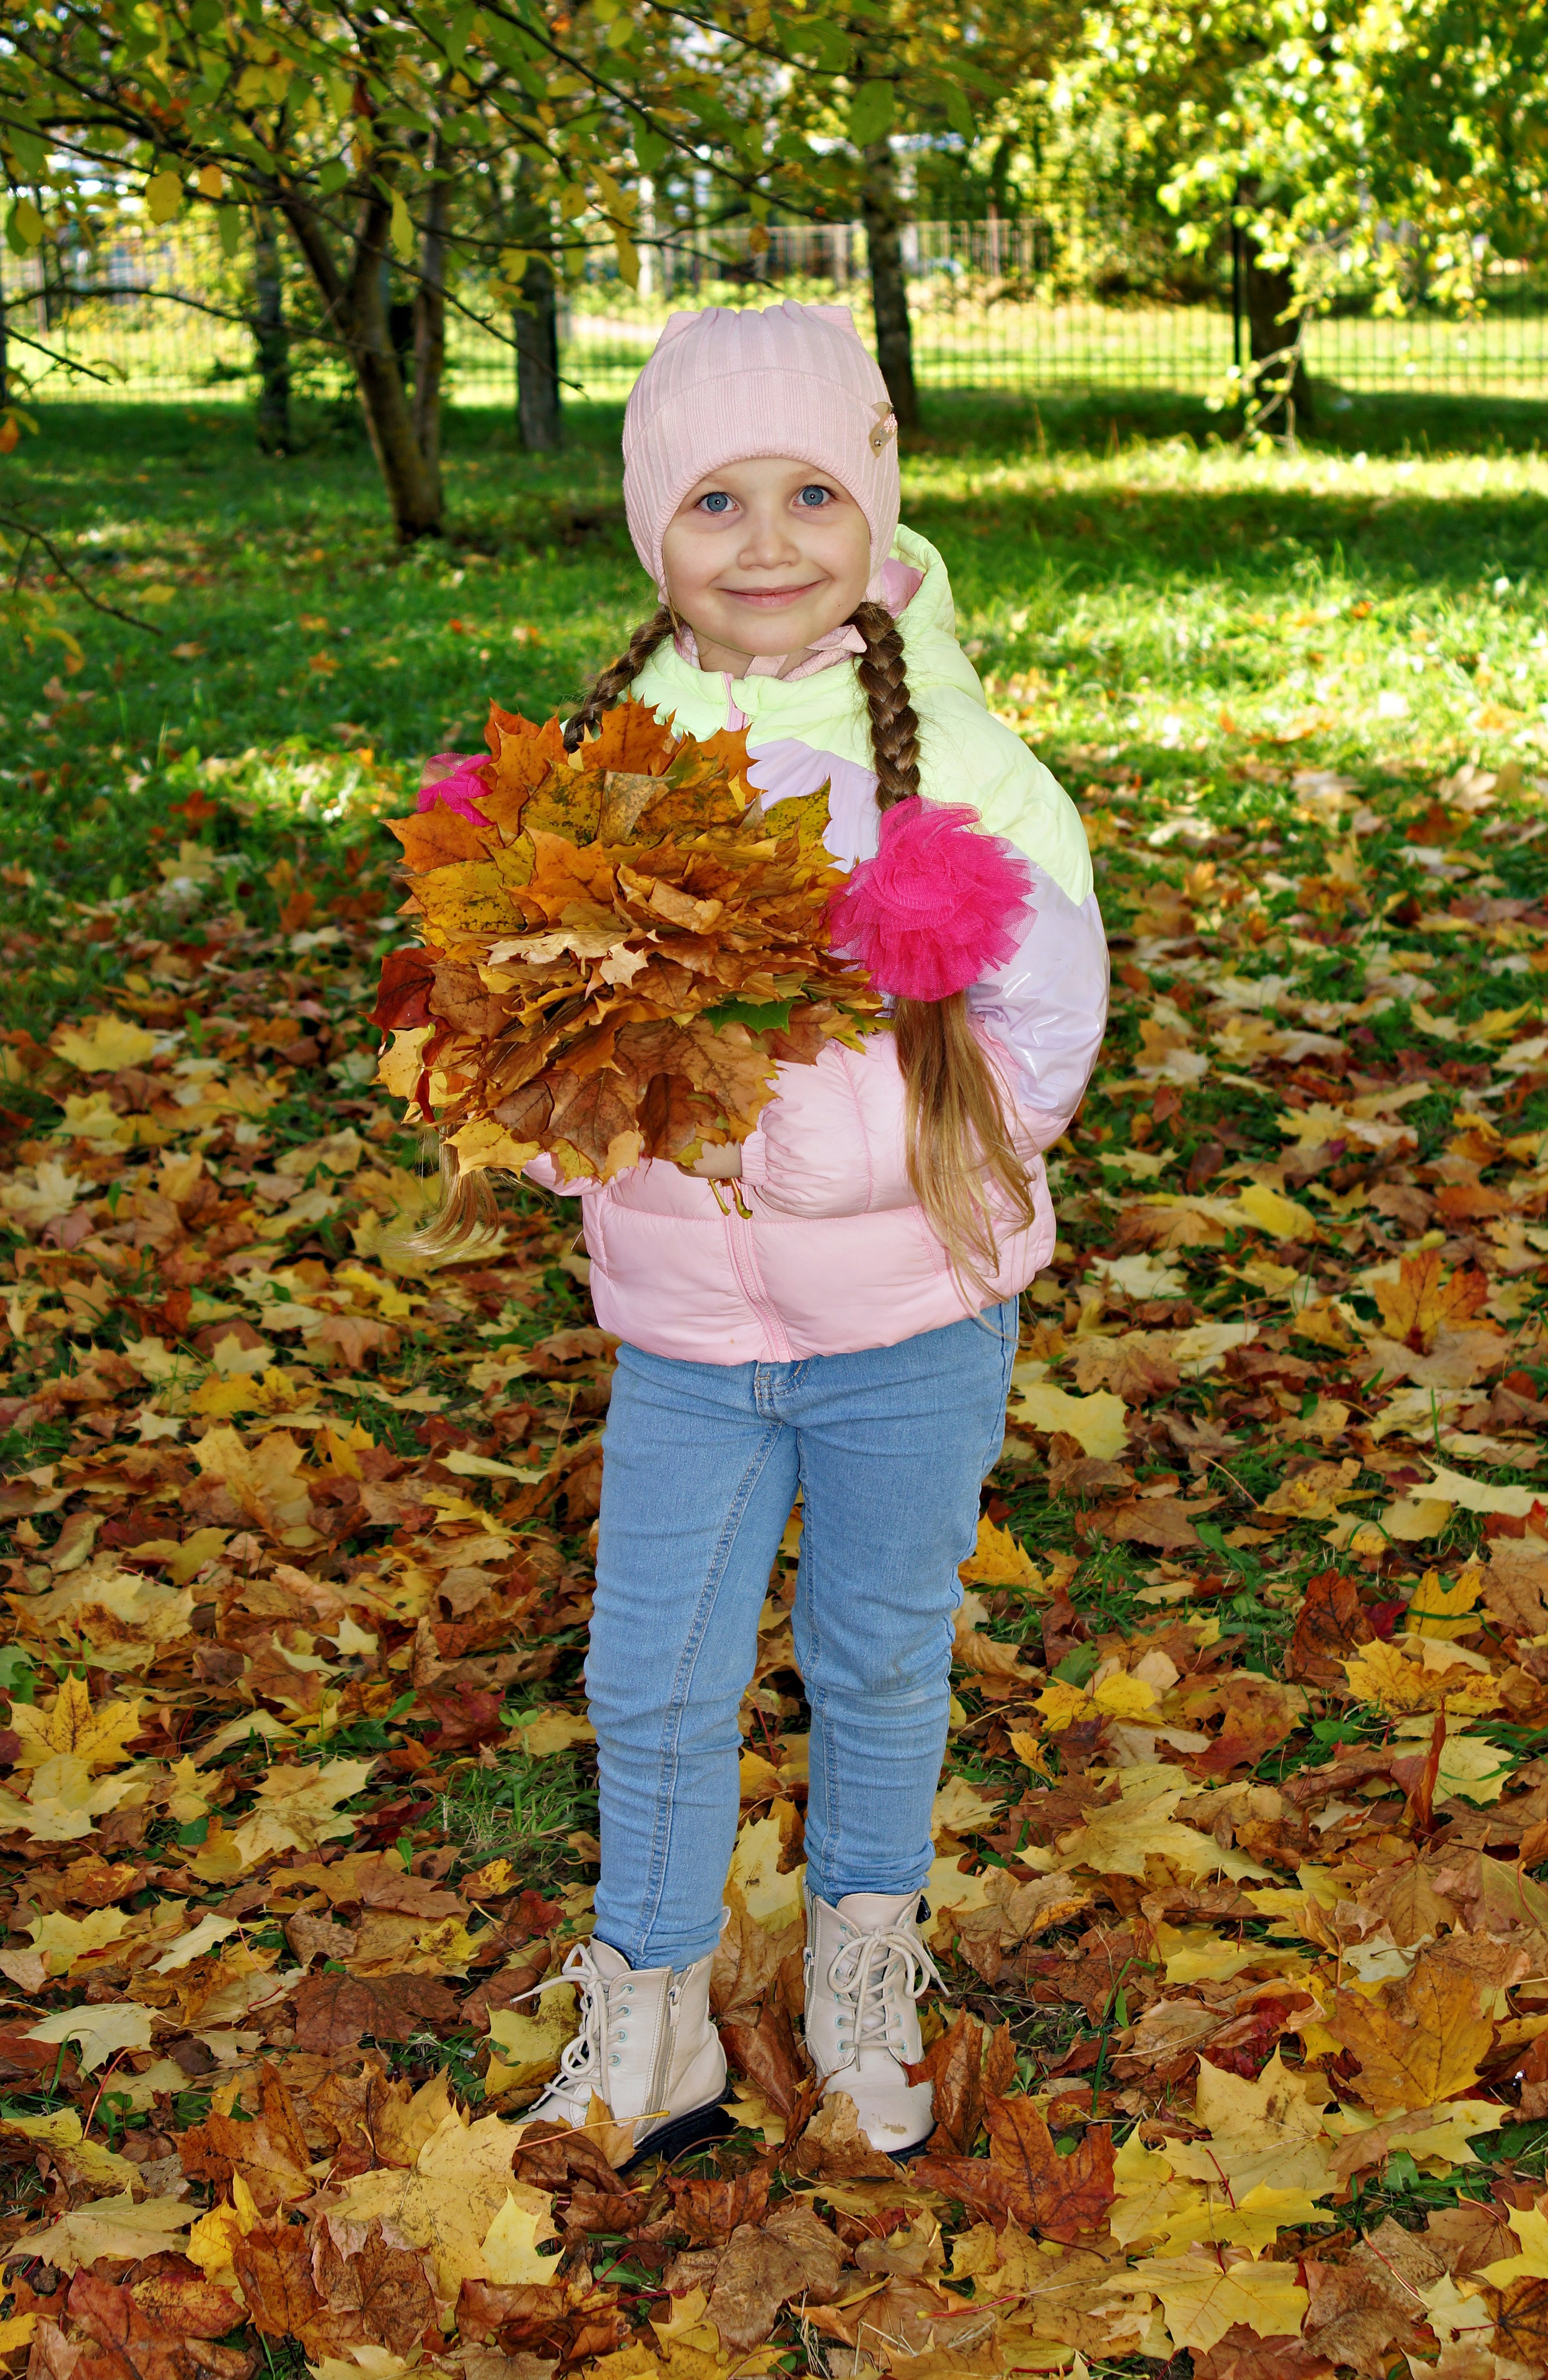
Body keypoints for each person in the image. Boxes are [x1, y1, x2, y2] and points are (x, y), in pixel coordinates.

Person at [507, 302, 1109, 2162]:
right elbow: (531, 1018)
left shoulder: (965, 769)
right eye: (713, 503)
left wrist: (865, 1152)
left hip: (908, 1323)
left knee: (875, 1650)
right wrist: (569, 1131)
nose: (766, 545)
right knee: (653, 1674)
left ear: (877, 508)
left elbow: (1046, 1029)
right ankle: (656, 2009)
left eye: (809, 495)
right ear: (648, 532)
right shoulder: (610, 768)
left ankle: (863, 1957)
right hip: (688, 1332)